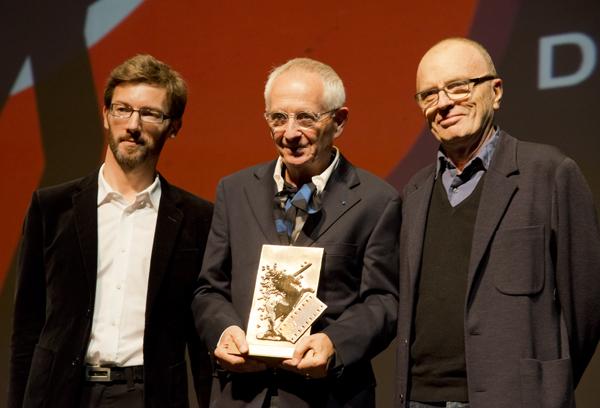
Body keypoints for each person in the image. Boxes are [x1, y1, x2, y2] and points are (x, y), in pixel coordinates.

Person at [395, 37, 600, 407]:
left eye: (458, 87)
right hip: (420, 400)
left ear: (496, 91)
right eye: (429, 95)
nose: (443, 103)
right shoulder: (414, 192)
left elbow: (586, 306)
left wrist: (547, 382)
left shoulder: (549, 173)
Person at [192, 57, 400, 407]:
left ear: (339, 120)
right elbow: (209, 289)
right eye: (278, 117)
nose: (289, 133)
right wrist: (224, 330)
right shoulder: (235, 190)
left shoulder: (377, 201)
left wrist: (334, 343)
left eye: (306, 117)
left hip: (329, 395)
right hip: (243, 394)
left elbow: (383, 301)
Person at [8, 54, 213, 408]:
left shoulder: (197, 218)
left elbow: (200, 337)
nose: (133, 124)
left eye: (150, 113)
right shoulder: (52, 207)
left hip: (149, 394)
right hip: (60, 392)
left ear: (174, 126)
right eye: (122, 109)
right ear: (105, 115)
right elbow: (27, 326)